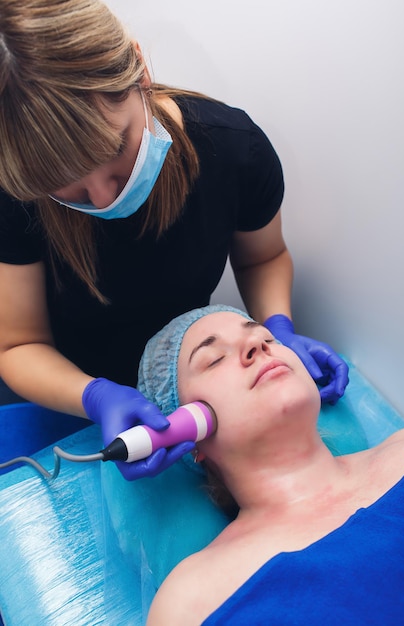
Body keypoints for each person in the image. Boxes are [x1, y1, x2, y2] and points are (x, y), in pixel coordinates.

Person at [0, 0, 348, 481]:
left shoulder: (233, 151)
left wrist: (279, 326)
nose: (104, 197)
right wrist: (95, 396)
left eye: (116, 151)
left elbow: (263, 258)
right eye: (71, 186)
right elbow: (17, 344)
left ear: (140, 70)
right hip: (55, 394)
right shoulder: (18, 192)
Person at [137, 305, 404, 625]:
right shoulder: (188, 600)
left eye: (266, 337)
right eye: (214, 358)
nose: (258, 346)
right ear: (188, 431)